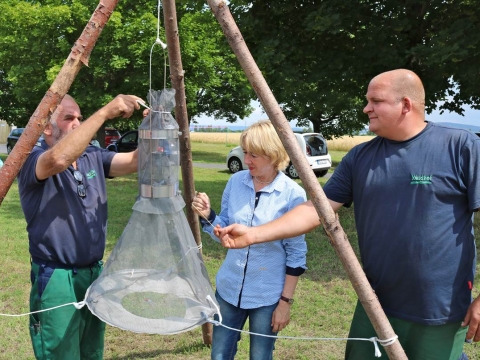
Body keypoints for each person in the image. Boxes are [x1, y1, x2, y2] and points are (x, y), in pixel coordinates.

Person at [215, 69, 480, 360]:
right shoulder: (360, 157)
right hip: (375, 302)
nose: (366, 108)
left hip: (439, 308)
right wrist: (253, 234)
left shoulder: (460, 147)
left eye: (375, 100)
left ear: (406, 104)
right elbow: (316, 209)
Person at [17, 93, 143, 360]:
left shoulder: (91, 156)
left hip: (94, 274)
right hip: (56, 278)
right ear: (47, 127)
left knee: (91, 351)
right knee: (61, 353)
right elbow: (57, 160)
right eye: (68, 118)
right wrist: (103, 113)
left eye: (80, 118)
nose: (77, 123)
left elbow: (135, 161)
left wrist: (154, 128)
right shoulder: (33, 159)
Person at [191, 120, 308, 360]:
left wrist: (285, 302)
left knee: (260, 356)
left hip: (267, 296)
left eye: (254, 155)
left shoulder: (292, 195)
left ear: (273, 154)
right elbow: (225, 232)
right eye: (245, 153)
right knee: (220, 355)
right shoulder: (236, 182)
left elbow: (296, 254)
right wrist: (209, 217)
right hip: (228, 289)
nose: (246, 160)